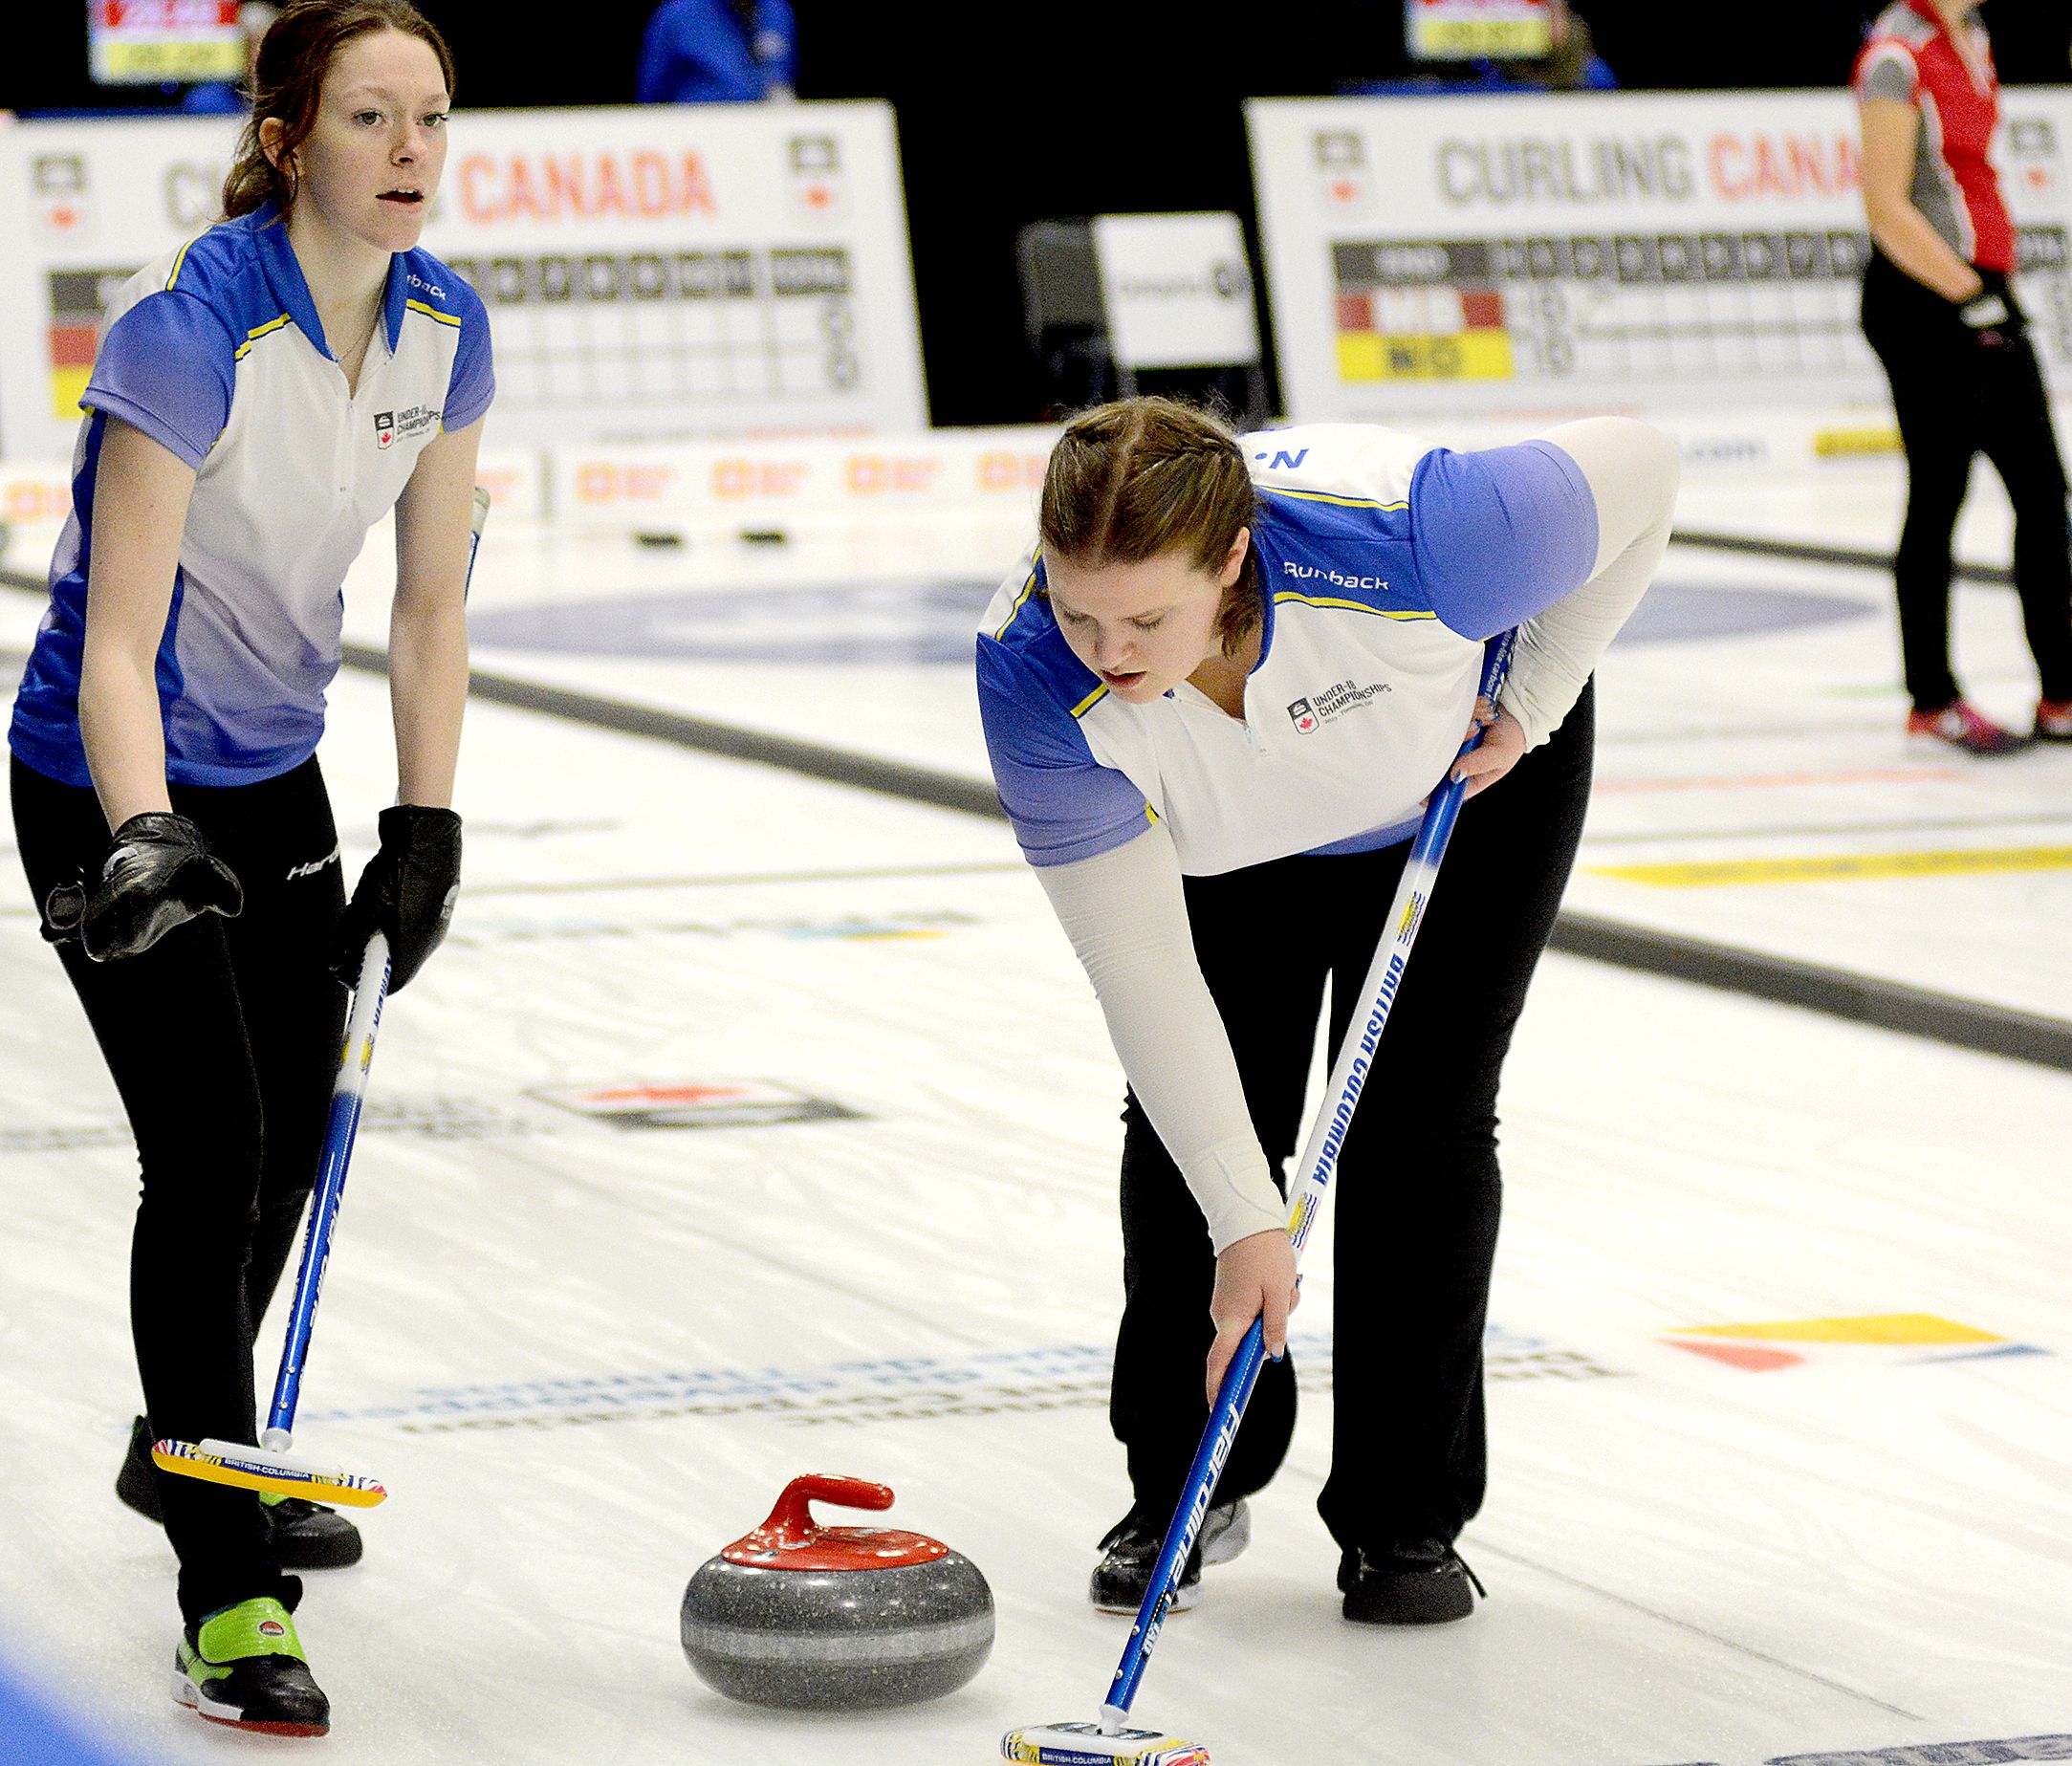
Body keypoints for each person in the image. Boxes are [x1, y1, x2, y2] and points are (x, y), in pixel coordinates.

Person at [977, 398, 1675, 1624]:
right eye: (1080, 612)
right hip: (1230, 833)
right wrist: (1249, 1221)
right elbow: (1138, 970)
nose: (1107, 650)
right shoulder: (1035, 675)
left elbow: (1645, 469)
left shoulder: (1426, 539)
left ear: (1231, 558)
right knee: (1201, 1134)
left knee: (1422, 1124)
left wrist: (1539, 695)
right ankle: (1185, 1479)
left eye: (1146, 619)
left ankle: (1405, 1515)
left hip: (1461, 783)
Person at [8, 0, 491, 1734]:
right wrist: (144, 832)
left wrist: (424, 821)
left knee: (290, 1138)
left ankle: (185, 1446)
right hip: (104, 777)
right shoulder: (189, 326)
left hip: (279, 774)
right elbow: (113, 642)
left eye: (430, 116)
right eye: (369, 118)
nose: (411, 151)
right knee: (208, 1151)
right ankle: (226, 1584)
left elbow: (428, 608)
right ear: (290, 142)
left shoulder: (445, 329)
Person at [1855, 0, 2072, 752]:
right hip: (1923, 296)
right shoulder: (1896, 54)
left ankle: (2061, 692)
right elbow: (1885, 206)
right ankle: (1932, 698)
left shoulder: (1972, 36)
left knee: (2042, 494)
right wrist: (1966, 293)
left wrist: (1986, 291)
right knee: (1939, 492)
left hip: (1980, 287)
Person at [637, 0, 796, 104]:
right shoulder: (678, 15)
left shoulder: (777, 11)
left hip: (762, 131)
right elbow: (651, 94)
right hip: (696, 132)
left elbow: (783, 77)